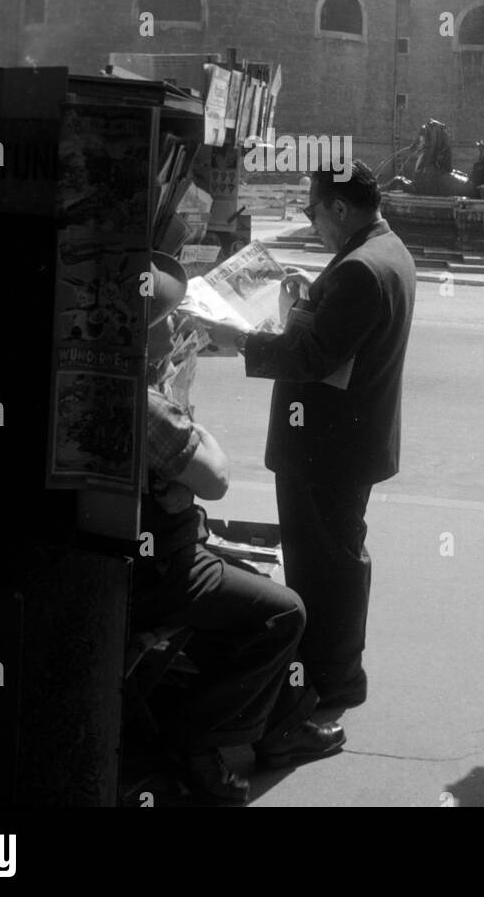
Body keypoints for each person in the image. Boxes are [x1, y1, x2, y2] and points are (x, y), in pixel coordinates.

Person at [129, 252, 344, 806]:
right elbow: (215, 478)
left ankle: (283, 727)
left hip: (152, 551)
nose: (178, 328)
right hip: (159, 569)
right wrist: (186, 417)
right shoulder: (145, 404)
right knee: (283, 612)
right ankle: (195, 740)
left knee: (253, 580)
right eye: (167, 321)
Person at [204, 162, 417, 708]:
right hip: (347, 442)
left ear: (340, 209)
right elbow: (341, 340)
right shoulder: (386, 250)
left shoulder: (360, 271)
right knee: (337, 557)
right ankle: (335, 673)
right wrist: (306, 302)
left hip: (326, 447)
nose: (311, 221)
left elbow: (314, 357)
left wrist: (241, 340)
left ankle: (329, 679)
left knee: (323, 567)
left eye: (312, 211)